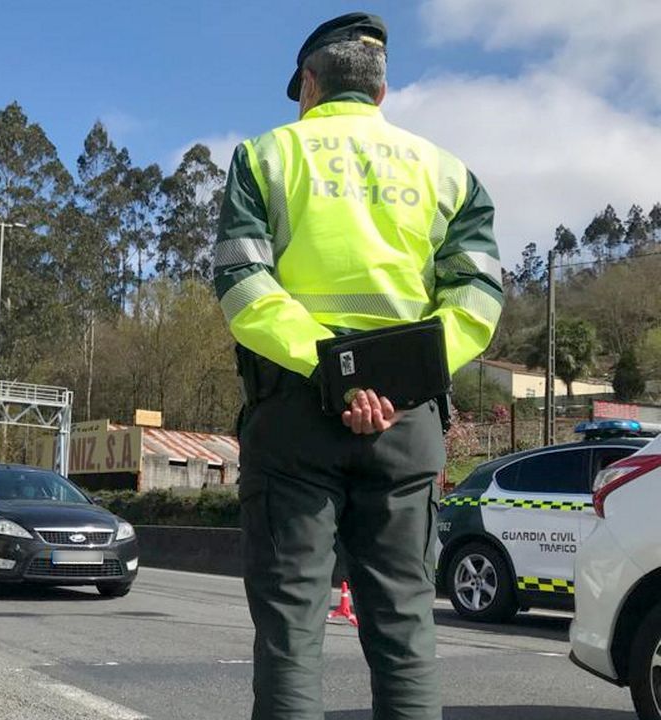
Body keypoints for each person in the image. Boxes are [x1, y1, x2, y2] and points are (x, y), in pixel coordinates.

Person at [212, 12, 502, 720]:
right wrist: (393, 384)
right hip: (408, 427)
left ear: (310, 85)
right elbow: (479, 298)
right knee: (405, 632)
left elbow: (243, 289)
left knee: (289, 637)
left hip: (294, 417)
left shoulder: (264, 157)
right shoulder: (449, 174)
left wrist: (336, 374)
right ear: (381, 90)